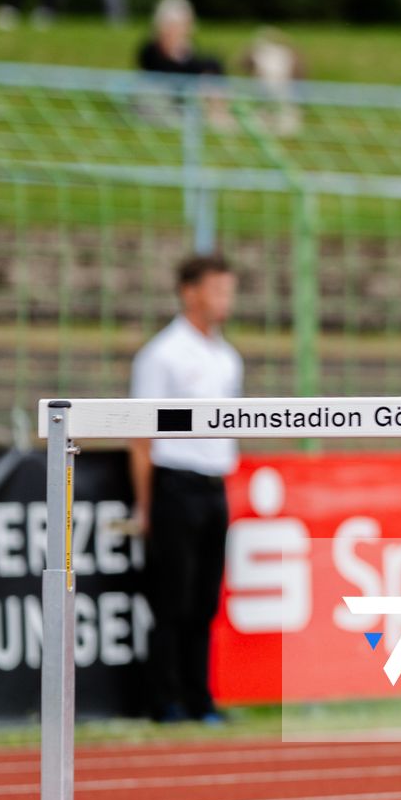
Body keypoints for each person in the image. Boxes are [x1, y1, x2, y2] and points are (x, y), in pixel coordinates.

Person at [130, 253, 243, 723]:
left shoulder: (226, 356)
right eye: (216, 289)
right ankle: (166, 699)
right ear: (189, 292)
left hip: (215, 485)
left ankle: (201, 698)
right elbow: (140, 433)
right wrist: (146, 503)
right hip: (175, 482)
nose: (225, 300)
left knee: (205, 600)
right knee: (171, 599)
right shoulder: (162, 354)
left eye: (229, 290)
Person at [137, 0, 225, 76]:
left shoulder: (199, 60)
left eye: (179, 26)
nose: (174, 32)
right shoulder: (150, 54)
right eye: (171, 27)